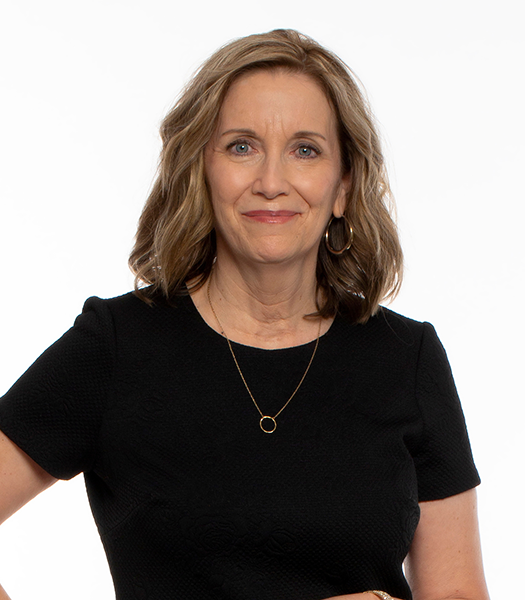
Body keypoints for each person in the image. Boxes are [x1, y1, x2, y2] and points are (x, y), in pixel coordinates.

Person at [0, 29, 489, 600]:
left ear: (343, 187)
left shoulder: (408, 360)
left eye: (305, 149)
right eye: (241, 146)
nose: (271, 182)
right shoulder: (115, 347)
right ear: (201, 171)